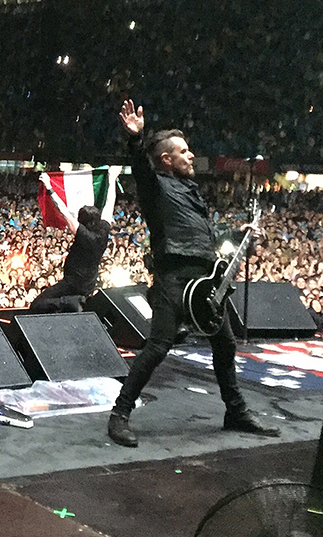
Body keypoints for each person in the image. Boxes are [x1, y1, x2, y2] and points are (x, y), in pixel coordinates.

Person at [108, 99, 280, 447]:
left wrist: (238, 236)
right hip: (174, 280)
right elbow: (141, 167)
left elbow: (209, 243)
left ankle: (235, 411)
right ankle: (119, 415)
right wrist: (135, 140)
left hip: (206, 280)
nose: (191, 156)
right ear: (166, 159)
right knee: (157, 347)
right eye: (183, 151)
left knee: (226, 344)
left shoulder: (191, 192)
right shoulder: (156, 187)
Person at [29, 166, 121, 313]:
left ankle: (71, 303)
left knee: (38, 304)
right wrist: (112, 179)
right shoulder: (103, 230)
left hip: (72, 283)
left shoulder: (84, 234)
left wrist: (49, 186)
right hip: (89, 283)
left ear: (82, 221)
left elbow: (63, 210)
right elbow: (110, 202)